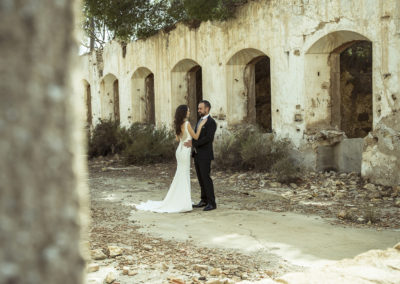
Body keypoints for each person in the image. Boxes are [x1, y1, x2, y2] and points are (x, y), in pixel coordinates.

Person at [135, 105, 207, 213]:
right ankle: (183, 202)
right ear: (184, 113)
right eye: (188, 111)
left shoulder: (178, 125)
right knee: (184, 174)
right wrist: (200, 125)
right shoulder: (187, 124)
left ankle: (181, 200)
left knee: (180, 174)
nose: (189, 112)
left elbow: (178, 139)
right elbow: (196, 137)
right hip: (185, 150)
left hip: (180, 150)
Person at [184, 100, 217, 211]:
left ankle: (212, 203)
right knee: (200, 179)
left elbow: (208, 139)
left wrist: (193, 143)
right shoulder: (200, 121)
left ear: (207, 109)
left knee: (206, 178)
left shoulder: (211, 122)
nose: (198, 110)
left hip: (205, 155)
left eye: (200, 108)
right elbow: (196, 135)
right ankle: (204, 200)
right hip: (197, 154)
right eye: (198, 108)